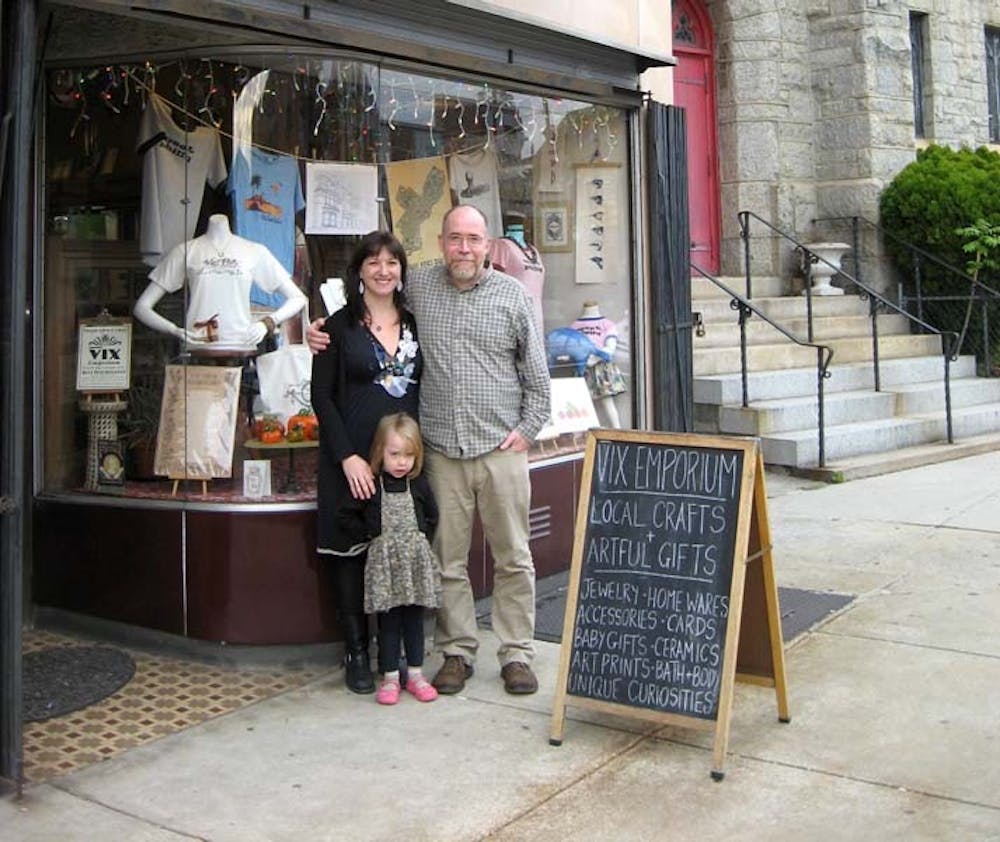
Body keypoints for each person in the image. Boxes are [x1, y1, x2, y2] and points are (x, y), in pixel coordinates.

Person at [309, 204, 551, 696]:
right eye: (455, 238)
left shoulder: (514, 297)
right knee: (445, 561)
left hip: (501, 447)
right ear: (440, 243)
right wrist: (321, 330)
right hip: (439, 451)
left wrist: (526, 429)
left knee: (514, 558)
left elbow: (538, 380)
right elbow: (368, 301)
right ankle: (457, 651)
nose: (464, 248)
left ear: (488, 245)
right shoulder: (418, 286)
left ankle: (516, 654)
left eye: (474, 239)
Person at [310, 230, 421, 694]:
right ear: (358, 271)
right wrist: (348, 457)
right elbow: (322, 398)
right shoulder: (336, 328)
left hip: (400, 464)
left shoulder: (415, 323)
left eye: (391, 262)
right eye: (373, 262)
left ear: (401, 270)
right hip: (351, 462)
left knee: (396, 553)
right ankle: (356, 651)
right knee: (350, 557)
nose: (383, 270)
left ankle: (393, 657)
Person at [346, 412, 441, 705]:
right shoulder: (374, 485)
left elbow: (432, 516)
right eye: (395, 454)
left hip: (413, 562)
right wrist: (371, 536)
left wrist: (420, 542)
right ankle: (389, 676)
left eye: (409, 455)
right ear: (380, 453)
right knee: (388, 623)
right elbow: (348, 515)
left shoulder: (420, 485)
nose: (402, 462)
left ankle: (415, 674)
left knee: (414, 620)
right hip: (385, 565)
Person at [133, 213, 306, 351]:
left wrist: (267, 323)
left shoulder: (254, 251)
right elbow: (142, 308)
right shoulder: (186, 251)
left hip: (242, 345)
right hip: (199, 345)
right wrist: (174, 329)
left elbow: (298, 298)